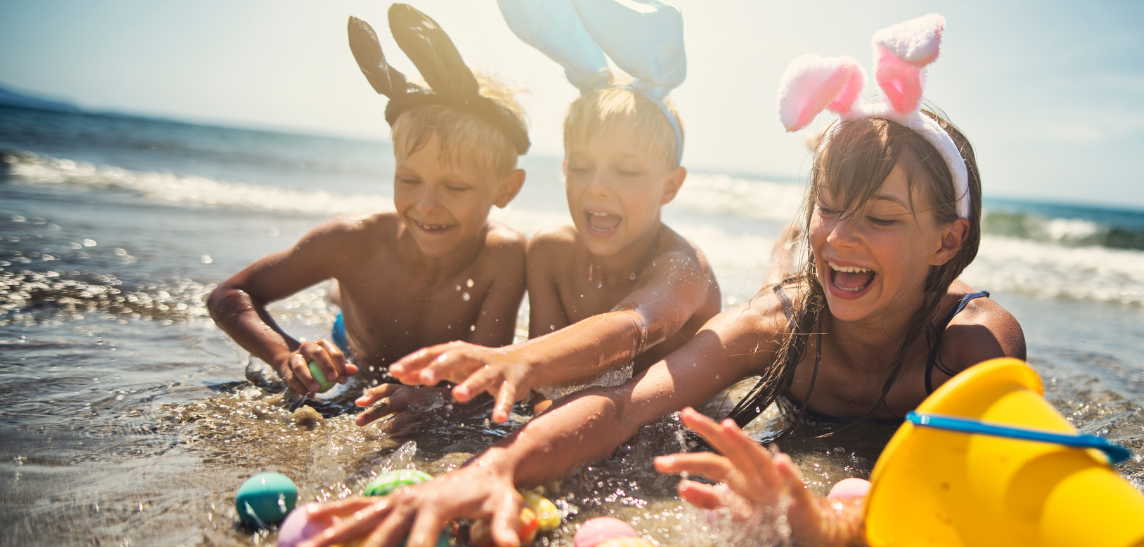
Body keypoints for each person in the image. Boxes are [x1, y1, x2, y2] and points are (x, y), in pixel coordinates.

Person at [298, 13, 1024, 547]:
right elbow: (625, 405)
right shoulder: (778, 323)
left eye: (882, 218)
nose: (841, 235)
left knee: (802, 271)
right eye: (829, 207)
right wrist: (497, 466)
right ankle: (791, 248)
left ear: (949, 240)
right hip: (793, 305)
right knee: (789, 281)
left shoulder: (974, 343)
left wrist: (837, 527)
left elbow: (996, 494)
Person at [378, 0, 721, 425]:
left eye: (627, 171)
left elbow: (631, 328)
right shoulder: (551, 254)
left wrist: (518, 358)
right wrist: (445, 401)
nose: (597, 186)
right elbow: (545, 392)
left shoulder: (684, 267)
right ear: (564, 170)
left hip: (681, 426)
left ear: (670, 186)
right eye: (581, 167)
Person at [207, 5, 530, 404]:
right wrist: (284, 355)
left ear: (506, 189)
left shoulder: (503, 255)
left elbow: (485, 376)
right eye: (409, 180)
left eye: (455, 187)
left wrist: (432, 400)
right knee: (343, 302)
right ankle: (339, 292)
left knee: (346, 294)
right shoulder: (351, 241)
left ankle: (339, 291)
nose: (427, 205)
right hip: (354, 342)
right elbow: (229, 295)